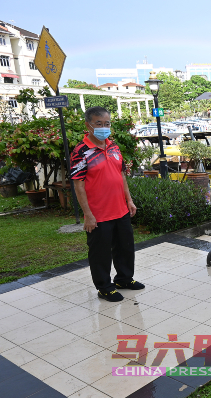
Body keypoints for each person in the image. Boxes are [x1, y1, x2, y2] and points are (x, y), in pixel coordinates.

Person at [70, 106, 144, 302]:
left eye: (107, 123)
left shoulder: (113, 146)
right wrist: (88, 214)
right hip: (98, 213)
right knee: (100, 253)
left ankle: (124, 279)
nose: (104, 127)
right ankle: (104, 287)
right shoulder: (81, 152)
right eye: (99, 124)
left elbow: (120, 176)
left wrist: (129, 200)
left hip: (120, 209)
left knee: (125, 247)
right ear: (88, 125)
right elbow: (78, 185)